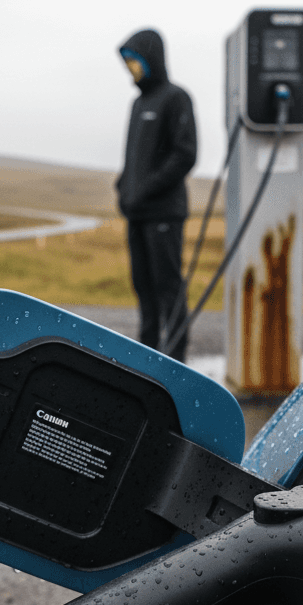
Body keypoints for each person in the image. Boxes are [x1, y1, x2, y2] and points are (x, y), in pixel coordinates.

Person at [115, 28, 197, 363]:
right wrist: (123, 186)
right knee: (143, 287)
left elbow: (185, 154)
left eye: (135, 61)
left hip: (164, 213)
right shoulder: (138, 103)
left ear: (151, 59)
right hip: (137, 214)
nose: (131, 68)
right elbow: (134, 158)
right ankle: (147, 356)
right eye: (128, 63)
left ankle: (176, 358)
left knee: (168, 288)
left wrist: (144, 190)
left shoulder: (176, 98)